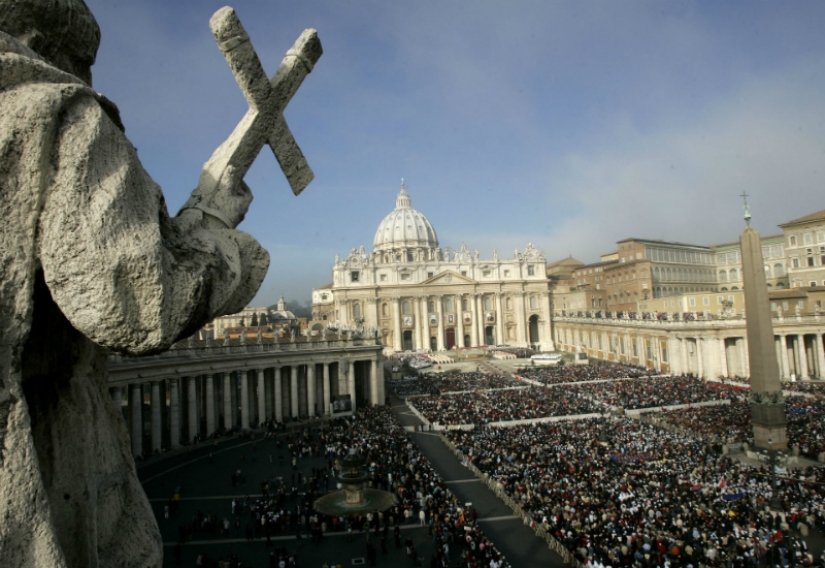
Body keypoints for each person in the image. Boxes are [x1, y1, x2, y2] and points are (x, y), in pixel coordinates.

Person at [0, 1, 269, 567]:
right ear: (30, 35)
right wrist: (217, 226)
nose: (86, 79)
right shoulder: (50, 111)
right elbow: (139, 305)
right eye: (81, 62)